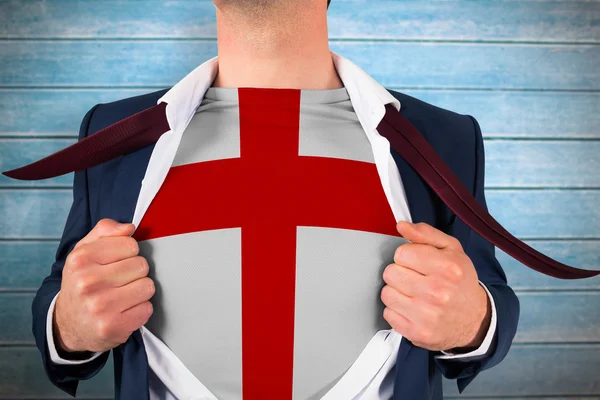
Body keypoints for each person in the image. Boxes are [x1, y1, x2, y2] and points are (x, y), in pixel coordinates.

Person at [27, 0, 520, 399]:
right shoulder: (112, 134)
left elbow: (489, 298)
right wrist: (69, 324)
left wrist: (473, 320)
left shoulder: (444, 137)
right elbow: (63, 289)